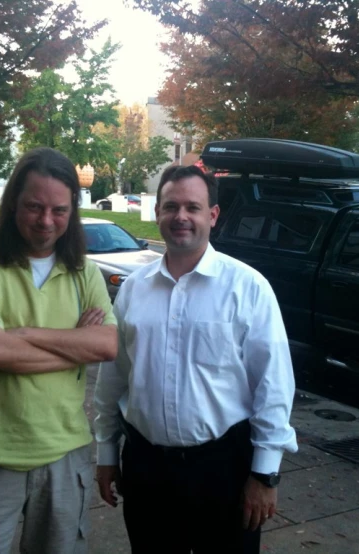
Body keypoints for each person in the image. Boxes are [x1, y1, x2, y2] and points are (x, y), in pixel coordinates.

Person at [93, 164, 298, 553]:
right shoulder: (135, 289)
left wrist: (265, 475)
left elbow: (273, 386)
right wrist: (106, 453)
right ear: (157, 214)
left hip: (224, 469)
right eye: (171, 206)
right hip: (146, 467)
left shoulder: (248, 287)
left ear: (213, 216)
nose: (181, 217)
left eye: (193, 207)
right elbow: (113, 378)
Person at [0, 147, 118, 554]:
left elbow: (106, 344)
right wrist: (74, 346)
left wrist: (21, 334)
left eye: (60, 210)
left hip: (65, 452)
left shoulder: (83, 271)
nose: (47, 221)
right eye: (35, 207)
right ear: (13, 203)